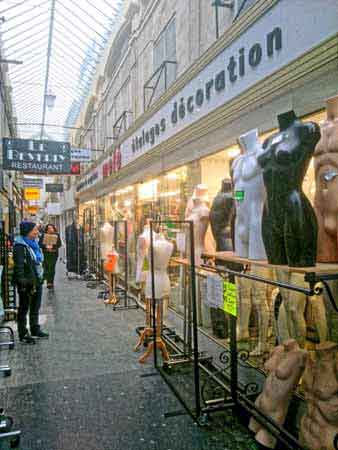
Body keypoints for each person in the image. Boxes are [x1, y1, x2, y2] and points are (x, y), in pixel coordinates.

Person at [13, 221, 48, 344]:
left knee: (35, 306)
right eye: (35, 230)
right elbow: (19, 266)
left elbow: (37, 262)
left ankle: (35, 329)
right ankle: (23, 333)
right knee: (24, 308)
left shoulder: (34, 244)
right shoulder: (20, 246)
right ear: (28, 232)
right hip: (26, 282)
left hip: (36, 279)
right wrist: (22, 281)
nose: (37, 232)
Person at [39, 224, 62, 289]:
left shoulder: (57, 235)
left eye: (51, 228)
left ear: (53, 228)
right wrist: (45, 246)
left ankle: (51, 282)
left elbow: (59, 244)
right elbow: (40, 244)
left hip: (54, 254)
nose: (50, 229)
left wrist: (53, 247)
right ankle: (48, 281)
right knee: (46, 267)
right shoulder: (43, 235)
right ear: (46, 229)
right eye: (48, 228)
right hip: (46, 253)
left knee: (52, 268)